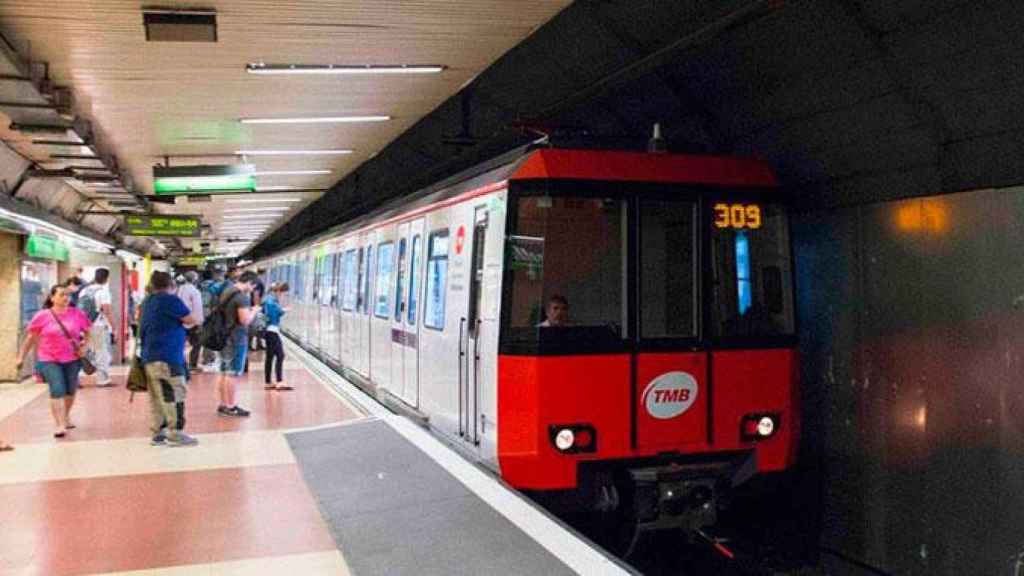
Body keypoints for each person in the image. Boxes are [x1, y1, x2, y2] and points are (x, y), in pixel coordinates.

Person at [16, 284, 92, 438]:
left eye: (67, 295)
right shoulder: (42, 316)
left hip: (72, 358)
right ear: (52, 298)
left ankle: (65, 415)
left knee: (70, 390)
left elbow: (89, 331)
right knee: (57, 389)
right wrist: (21, 357)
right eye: (62, 295)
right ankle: (59, 424)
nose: (65, 298)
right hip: (49, 358)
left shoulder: (76, 314)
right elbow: (30, 338)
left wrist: (85, 346)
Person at [140, 271, 200, 447]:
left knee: (156, 397)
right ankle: (175, 434)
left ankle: (157, 434)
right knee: (175, 394)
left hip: (149, 356)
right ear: (171, 285)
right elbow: (191, 319)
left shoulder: (148, 301)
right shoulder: (170, 300)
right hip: (168, 356)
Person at [216, 270, 258, 417]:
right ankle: (231, 406)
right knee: (232, 374)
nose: (252, 290)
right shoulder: (242, 298)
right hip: (236, 339)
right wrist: (254, 311)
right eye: (252, 287)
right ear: (248, 283)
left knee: (223, 372)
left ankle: (223, 404)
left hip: (224, 337)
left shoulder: (227, 291)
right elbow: (245, 320)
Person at [78, 268, 114, 387]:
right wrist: (114, 327)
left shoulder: (84, 290)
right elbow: (107, 311)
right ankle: (102, 379)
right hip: (97, 326)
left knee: (83, 350)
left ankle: (75, 378)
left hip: (83, 325)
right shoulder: (103, 291)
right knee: (100, 352)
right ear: (107, 278)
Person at [262, 282, 290, 391]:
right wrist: (283, 310)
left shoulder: (268, 299)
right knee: (280, 355)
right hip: (272, 330)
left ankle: (268, 382)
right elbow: (274, 314)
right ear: (278, 291)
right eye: (283, 293)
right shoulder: (271, 301)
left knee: (270, 357)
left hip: (268, 331)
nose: (282, 296)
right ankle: (279, 381)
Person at [176, 271, 204, 372]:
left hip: (179, 321)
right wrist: (199, 322)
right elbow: (197, 308)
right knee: (197, 344)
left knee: (179, 344)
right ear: (195, 280)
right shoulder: (195, 291)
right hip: (192, 322)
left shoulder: (179, 289)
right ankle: (193, 364)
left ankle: (178, 363)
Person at [249, 271, 266, 351]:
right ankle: (250, 344)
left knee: (259, 326)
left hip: (253, 307)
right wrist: (257, 308)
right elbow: (256, 295)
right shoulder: (258, 282)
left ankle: (259, 343)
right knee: (255, 327)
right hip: (255, 308)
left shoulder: (255, 281)